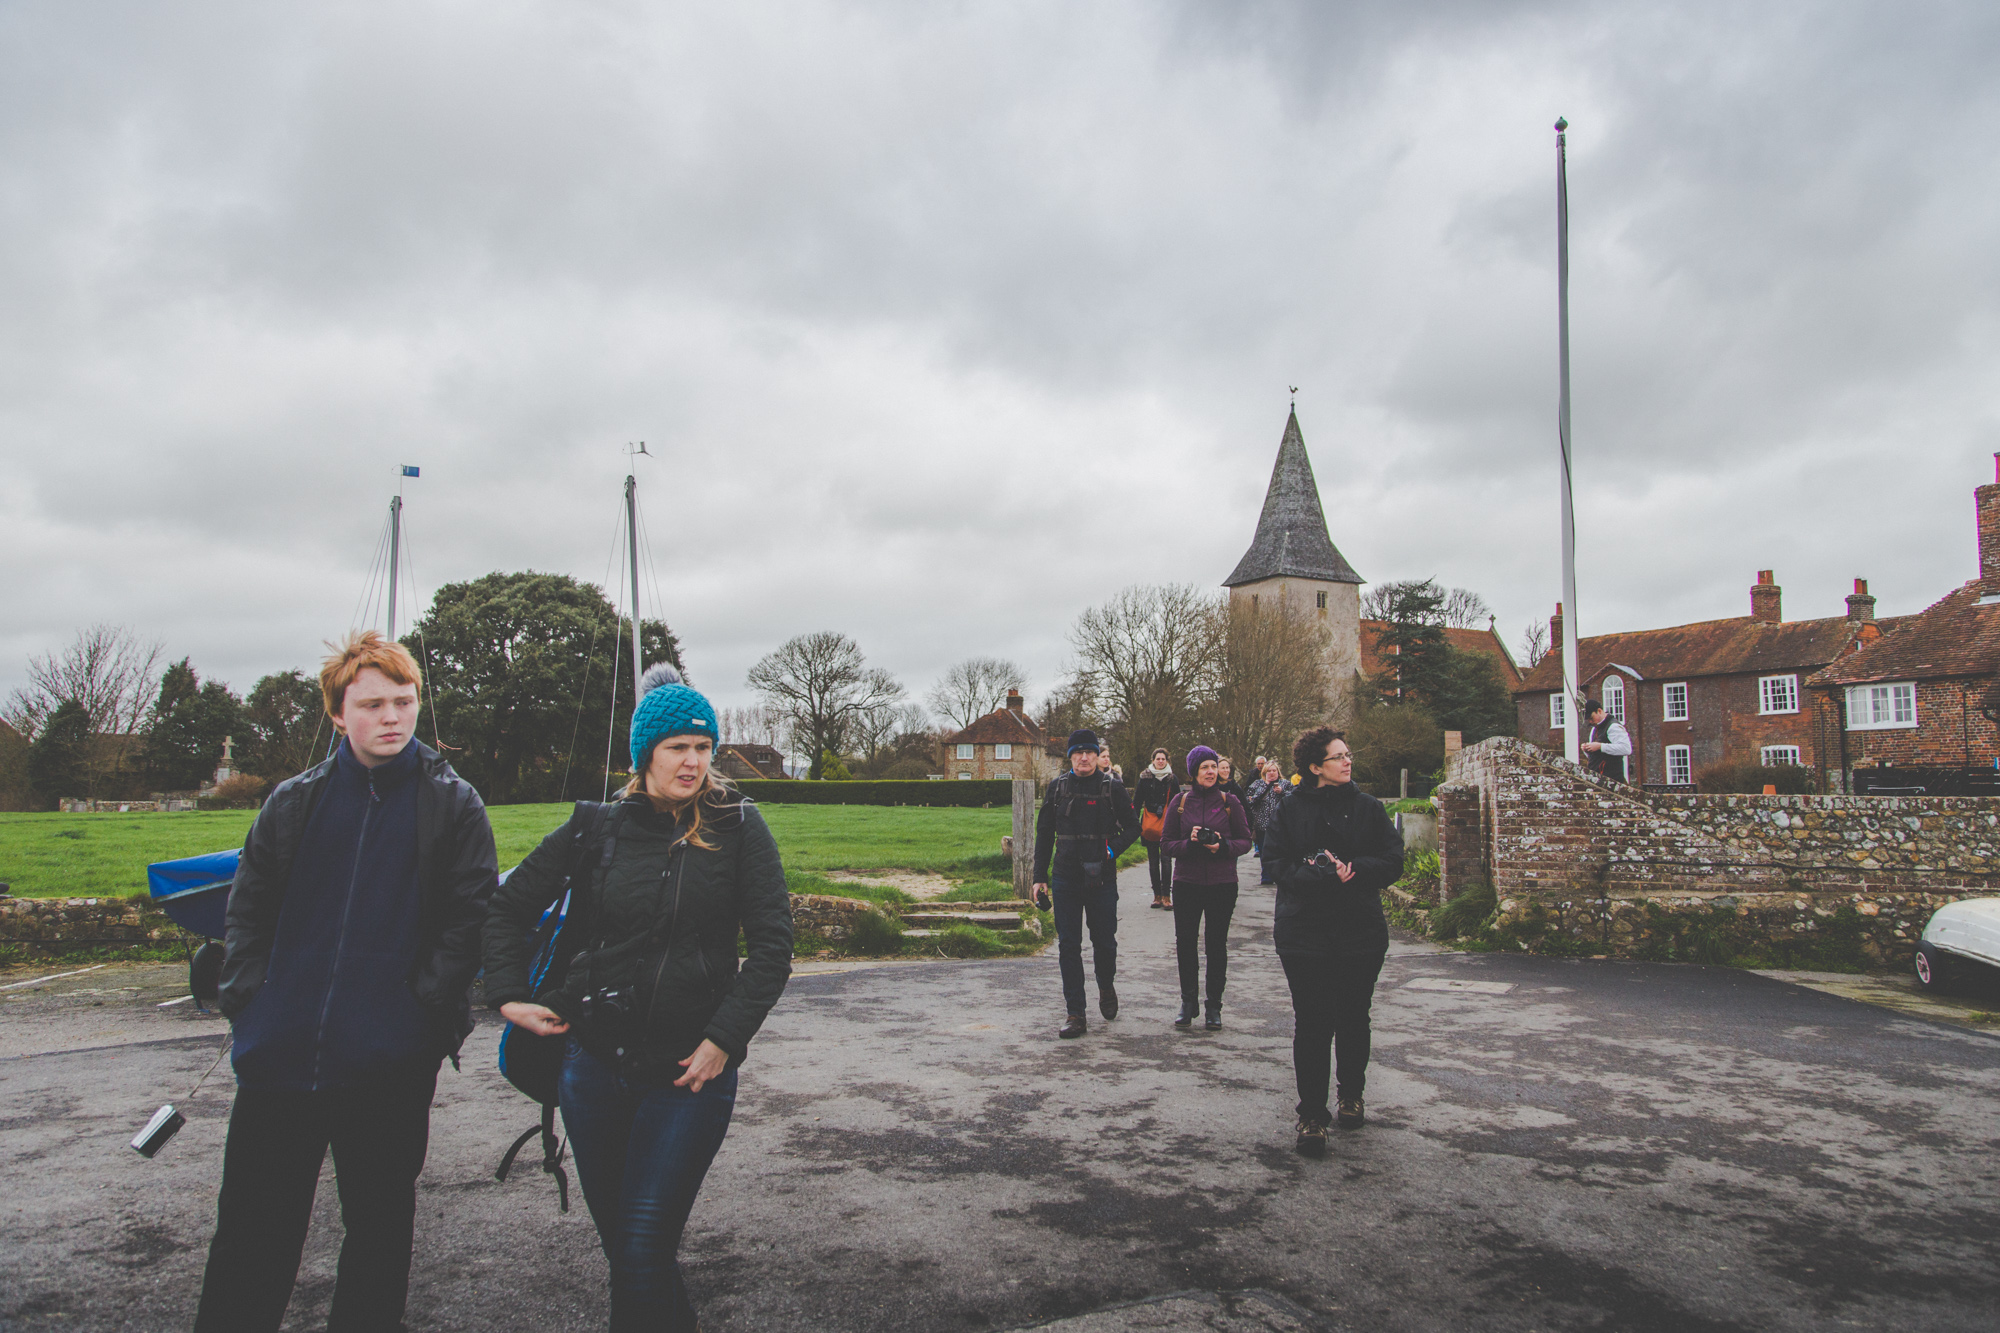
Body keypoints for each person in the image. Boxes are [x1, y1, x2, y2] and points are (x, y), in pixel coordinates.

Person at [195, 632, 497, 1333]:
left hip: (388, 1066)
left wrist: (416, 1018)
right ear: (337, 713)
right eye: (372, 703)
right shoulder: (292, 802)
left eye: (404, 700)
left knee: (378, 1237)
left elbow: (469, 919)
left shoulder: (453, 805)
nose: (392, 716)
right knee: (249, 1239)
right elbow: (250, 908)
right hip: (278, 1058)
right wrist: (250, 1004)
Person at [484, 664, 792, 1333]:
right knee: (629, 1254)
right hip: (593, 1067)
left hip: (689, 1074)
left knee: (644, 1247)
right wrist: (506, 992)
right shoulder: (597, 827)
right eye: (678, 746)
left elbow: (773, 947)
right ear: (644, 753)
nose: (694, 760)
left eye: (703, 746)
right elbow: (507, 906)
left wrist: (723, 1039)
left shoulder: (740, 825)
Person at [1268, 726, 1404, 1160]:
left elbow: (1393, 858)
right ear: (1314, 767)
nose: (1347, 762)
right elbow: (1274, 864)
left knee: (1353, 1016)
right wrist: (1322, 873)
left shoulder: (1367, 808)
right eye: (1338, 756)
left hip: (1359, 929)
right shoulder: (1289, 810)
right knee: (1311, 1022)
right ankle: (1310, 1115)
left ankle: (1351, 1093)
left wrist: (1355, 868)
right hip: (1304, 931)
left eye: (1348, 755)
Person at [1032, 728, 1141, 1039]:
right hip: (1065, 876)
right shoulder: (1056, 788)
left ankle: (1106, 986)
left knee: (1105, 942)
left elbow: (1133, 828)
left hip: (1101, 877)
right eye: (1078, 752)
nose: (1083, 757)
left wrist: (1111, 850)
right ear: (1070, 756)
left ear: (1097, 755)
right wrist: (1039, 877)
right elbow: (1044, 834)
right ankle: (1075, 1013)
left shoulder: (1112, 788)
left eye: (1089, 752)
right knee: (1068, 945)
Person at [1161, 746, 1253, 1030]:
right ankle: (1188, 1002)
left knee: (1216, 945)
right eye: (1205, 767)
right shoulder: (1180, 801)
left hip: (1222, 883)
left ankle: (1214, 1005)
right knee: (1185, 944)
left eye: (1214, 766)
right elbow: (1166, 844)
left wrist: (1222, 845)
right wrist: (1189, 844)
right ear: (1194, 772)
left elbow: (1246, 841)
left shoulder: (1231, 802)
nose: (1211, 772)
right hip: (1187, 882)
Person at [1133, 747, 1180, 910]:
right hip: (1149, 823)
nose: (1160, 761)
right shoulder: (1145, 778)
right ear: (1153, 760)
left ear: (1167, 761)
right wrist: (1134, 822)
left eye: (1163, 759)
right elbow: (1137, 800)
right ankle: (1157, 896)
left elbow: (1178, 802)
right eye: (1158, 758)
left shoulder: (1172, 779)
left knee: (1166, 861)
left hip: (1167, 824)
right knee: (1153, 862)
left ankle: (1167, 896)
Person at [1245, 759, 1291, 886]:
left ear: (1278, 772)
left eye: (1274, 770)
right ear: (1264, 772)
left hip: (1281, 825)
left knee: (1280, 851)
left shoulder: (1285, 784)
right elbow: (1249, 801)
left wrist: (1282, 792)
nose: (1272, 773)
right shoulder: (1257, 784)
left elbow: (1294, 800)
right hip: (1262, 825)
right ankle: (1266, 877)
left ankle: (1280, 875)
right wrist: (1264, 787)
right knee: (1265, 852)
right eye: (1269, 771)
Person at [1580, 699, 1633, 783]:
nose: (1590, 721)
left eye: (1591, 718)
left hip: (1612, 779)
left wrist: (1600, 746)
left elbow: (1626, 748)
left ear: (1599, 711)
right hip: (1597, 779)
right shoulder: (1594, 729)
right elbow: (1596, 756)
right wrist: (1588, 749)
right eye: (1588, 719)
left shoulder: (1613, 726)